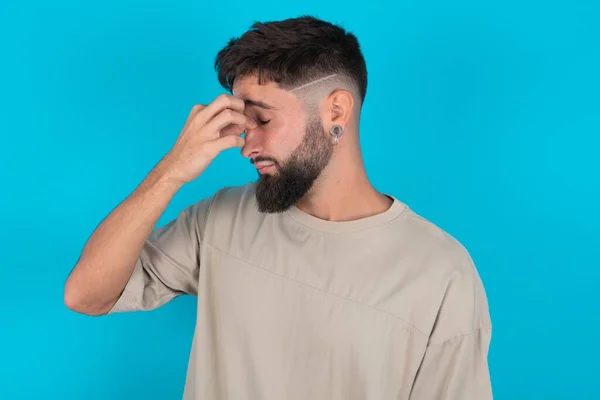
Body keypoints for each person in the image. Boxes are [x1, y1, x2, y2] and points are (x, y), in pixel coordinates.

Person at [64, 15, 493, 400]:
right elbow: (86, 295)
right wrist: (172, 171)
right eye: (240, 123)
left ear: (336, 110)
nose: (246, 145)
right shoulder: (219, 219)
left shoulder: (440, 273)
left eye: (263, 120)